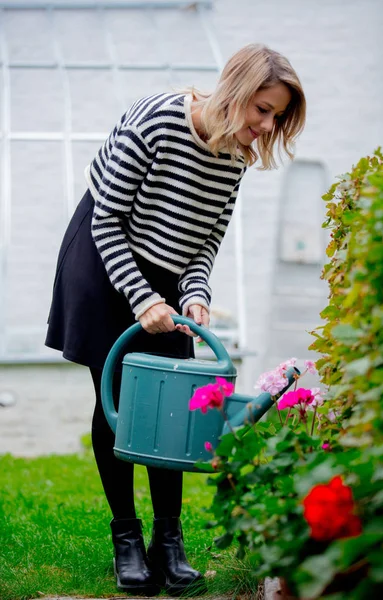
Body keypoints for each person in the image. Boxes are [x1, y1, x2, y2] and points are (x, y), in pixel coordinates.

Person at [45, 43, 306, 597]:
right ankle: (127, 541)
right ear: (237, 90)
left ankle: (170, 542)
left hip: (163, 276)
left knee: (171, 406)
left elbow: (205, 239)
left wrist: (193, 294)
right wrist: (142, 299)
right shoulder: (156, 122)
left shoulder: (235, 154)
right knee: (116, 400)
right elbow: (108, 219)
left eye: (276, 116)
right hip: (104, 260)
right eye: (262, 108)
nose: (265, 125)